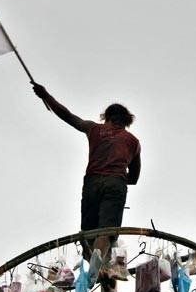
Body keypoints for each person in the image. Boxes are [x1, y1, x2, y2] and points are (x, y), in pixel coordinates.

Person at [32, 82, 141, 279]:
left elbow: (68, 116)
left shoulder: (94, 129)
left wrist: (45, 96)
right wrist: (119, 175)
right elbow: (134, 177)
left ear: (106, 117)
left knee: (88, 231)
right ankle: (99, 262)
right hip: (115, 182)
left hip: (91, 182)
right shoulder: (133, 141)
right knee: (107, 229)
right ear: (126, 121)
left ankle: (94, 262)